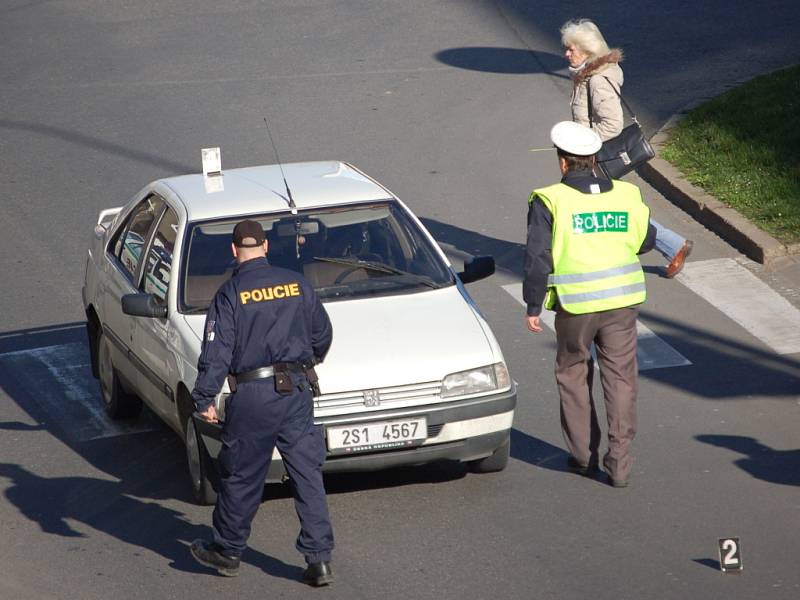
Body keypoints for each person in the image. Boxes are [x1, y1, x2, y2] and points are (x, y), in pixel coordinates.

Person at [189, 219, 335, 586]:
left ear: (234, 251)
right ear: (267, 247)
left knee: (242, 476)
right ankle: (319, 561)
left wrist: (205, 397)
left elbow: (217, 352)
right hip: (296, 391)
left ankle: (227, 551)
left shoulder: (230, 294)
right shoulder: (297, 283)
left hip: (254, 396)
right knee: (307, 475)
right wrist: (303, 365)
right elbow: (322, 335)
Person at [524, 121, 656, 488]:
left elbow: (537, 257)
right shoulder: (627, 195)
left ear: (563, 163)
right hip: (622, 302)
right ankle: (620, 460)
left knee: (573, 374)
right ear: (596, 158)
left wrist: (534, 305)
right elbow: (647, 241)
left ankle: (583, 456)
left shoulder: (550, 199)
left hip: (576, 306)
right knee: (621, 377)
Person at [560, 18, 693, 278]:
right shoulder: (586, 75)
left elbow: (611, 124)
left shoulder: (596, 80)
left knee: (613, 212)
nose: (566, 53)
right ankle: (671, 244)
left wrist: (581, 143)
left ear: (587, 51)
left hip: (593, 157)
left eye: (571, 49)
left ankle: (672, 244)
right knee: (604, 210)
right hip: (588, 157)